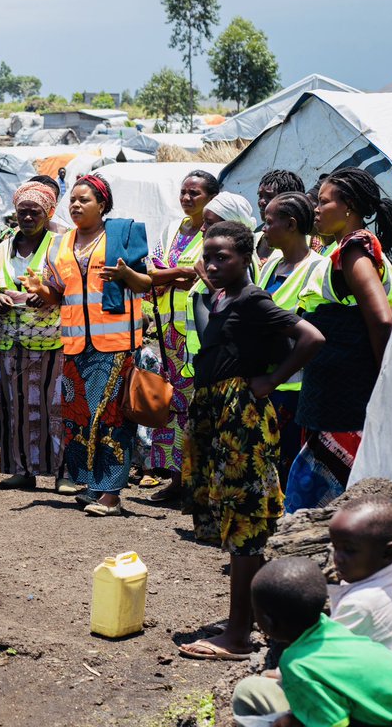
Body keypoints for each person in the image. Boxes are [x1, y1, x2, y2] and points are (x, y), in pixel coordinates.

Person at [178, 221, 324, 661]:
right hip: (218, 414)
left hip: (242, 417)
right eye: (208, 256)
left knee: (246, 523)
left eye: (223, 256)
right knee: (234, 517)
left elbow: (310, 338)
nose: (213, 264)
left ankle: (238, 637)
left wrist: (271, 381)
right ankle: (254, 622)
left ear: (247, 258)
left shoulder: (254, 299)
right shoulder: (222, 296)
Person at [287, 169, 392, 511]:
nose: (316, 209)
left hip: (344, 395)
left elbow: (382, 319)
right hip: (335, 392)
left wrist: (385, 381)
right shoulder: (346, 250)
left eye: (324, 202)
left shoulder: (355, 249)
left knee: (331, 494)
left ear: (348, 206)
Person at [41, 174, 150, 515]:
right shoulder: (59, 243)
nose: (75, 205)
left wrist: (125, 276)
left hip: (115, 343)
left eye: (83, 200)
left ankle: (112, 494)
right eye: (72, 199)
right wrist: (39, 292)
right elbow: (57, 293)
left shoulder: (122, 235)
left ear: (102, 205)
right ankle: (91, 484)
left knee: (112, 417)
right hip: (75, 344)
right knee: (81, 417)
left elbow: (144, 283)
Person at [232, 557, 392, 725]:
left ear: (268, 621)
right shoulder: (334, 629)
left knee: (250, 695)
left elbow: (335, 724)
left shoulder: (298, 666)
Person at [139, 170, 218, 502]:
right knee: (171, 406)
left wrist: (169, 275)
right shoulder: (173, 228)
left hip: (198, 331)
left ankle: (197, 484)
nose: (187, 198)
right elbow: (152, 271)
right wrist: (177, 274)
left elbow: (199, 275)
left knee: (196, 407)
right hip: (169, 331)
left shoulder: (215, 232)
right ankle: (175, 480)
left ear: (212, 197)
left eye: (194, 194)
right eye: (183, 192)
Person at [0, 181, 65, 490]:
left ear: (48, 214)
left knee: (53, 406)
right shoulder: (1, 248)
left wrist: (49, 294)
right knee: (14, 405)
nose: (28, 217)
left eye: (35, 212)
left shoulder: (59, 245)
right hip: (11, 341)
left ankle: (63, 473)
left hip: (49, 340)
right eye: (23, 212)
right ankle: (21, 469)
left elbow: (70, 288)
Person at [254, 194, 323, 486]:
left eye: (269, 222)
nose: (264, 228)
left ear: (291, 224)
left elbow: (312, 333)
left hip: (292, 387)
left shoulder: (317, 269)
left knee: (285, 463)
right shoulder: (272, 264)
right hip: (263, 380)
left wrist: (274, 379)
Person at [328, 496, 392, 653]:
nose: (337, 558)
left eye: (349, 550)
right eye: (335, 547)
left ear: (388, 553)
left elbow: (322, 660)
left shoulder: (360, 606)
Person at [252, 169, 306, 264]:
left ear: (290, 201)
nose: (261, 202)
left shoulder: (307, 246)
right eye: (260, 196)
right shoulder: (252, 240)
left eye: (269, 197)